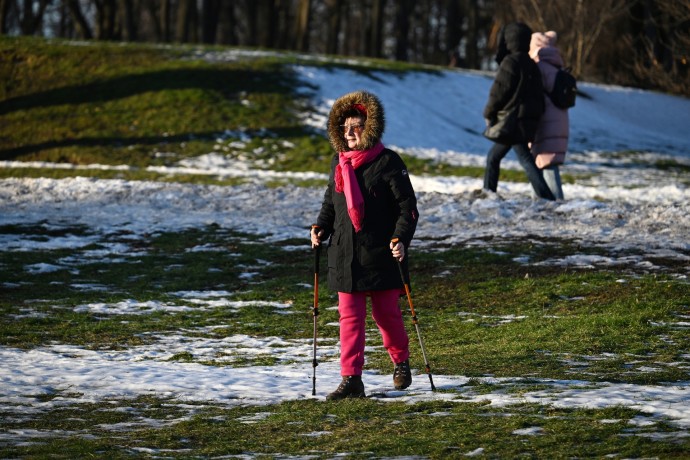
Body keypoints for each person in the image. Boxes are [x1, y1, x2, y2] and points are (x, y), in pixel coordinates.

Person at [310, 90, 419, 400]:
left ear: (369, 127)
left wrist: (400, 238)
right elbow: (331, 203)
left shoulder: (387, 161)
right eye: (345, 127)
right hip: (345, 252)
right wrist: (320, 227)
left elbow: (407, 207)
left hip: (381, 253)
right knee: (349, 318)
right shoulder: (338, 162)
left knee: (386, 315)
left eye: (356, 126)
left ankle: (400, 362)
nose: (350, 133)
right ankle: (351, 379)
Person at [482, 22, 556, 201]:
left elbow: (499, 91)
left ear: (509, 40)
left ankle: (545, 197)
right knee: (500, 157)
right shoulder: (531, 64)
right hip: (525, 120)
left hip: (513, 122)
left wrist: (489, 112)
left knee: (515, 159)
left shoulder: (511, 62)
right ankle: (489, 192)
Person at [529, 31, 569, 200]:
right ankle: (539, 201)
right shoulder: (555, 65)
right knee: (545, 163)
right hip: (559, 121)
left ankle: (554, 203)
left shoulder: (539, 67)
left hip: (545, 122)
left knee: (545, 163)